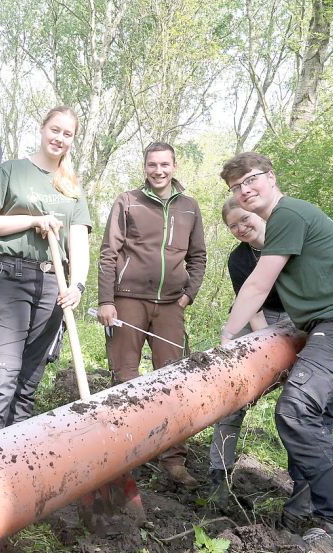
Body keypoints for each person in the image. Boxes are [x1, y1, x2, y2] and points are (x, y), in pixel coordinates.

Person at [219, 152, 333, 553]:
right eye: (236, 187)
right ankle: (315, 512)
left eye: (251, 180)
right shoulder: (287, 218)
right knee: (314, 419)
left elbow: (259, 287)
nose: (245, 191)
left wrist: (229, 335)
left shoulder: (287, 214)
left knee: (296, 411)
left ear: (271, 177)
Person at [0, 106, 92, 439]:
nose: (59, 138)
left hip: (55, 285)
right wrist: (32, 220)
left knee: (28, 381)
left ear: (72, 140)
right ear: (42, 129)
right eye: (55, 130)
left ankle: (13, 463)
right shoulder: (12, 172)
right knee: (2, 375)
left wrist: (77, 285)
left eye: (67, 134)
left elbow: (78, 243)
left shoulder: (72, 189)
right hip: (10, 277)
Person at [97, 142, 206, 488]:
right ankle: (124, 454)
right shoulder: (127, 201)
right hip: (127, 300)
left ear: (174, 166)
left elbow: (198, 257)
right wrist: (105, 300)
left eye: (165, 164)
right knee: (126, 376)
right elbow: (108, 253)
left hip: (171, 305)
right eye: (152, 165)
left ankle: (173, 460)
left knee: (173, 381)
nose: (158, 171)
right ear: (144, 167)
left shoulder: (189, 208)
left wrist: (188, 296)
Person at [207, 197, 308, 512]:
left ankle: (304, 491)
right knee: (230, 399)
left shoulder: (289, 239)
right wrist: (264, 348)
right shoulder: (238, 260)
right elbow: (252, 305)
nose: (240, 228)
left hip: (299, 319)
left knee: (299, 404)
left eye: (244, 218)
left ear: (259, 213)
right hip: (256, 319)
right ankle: (218, 481)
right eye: (232, 225)